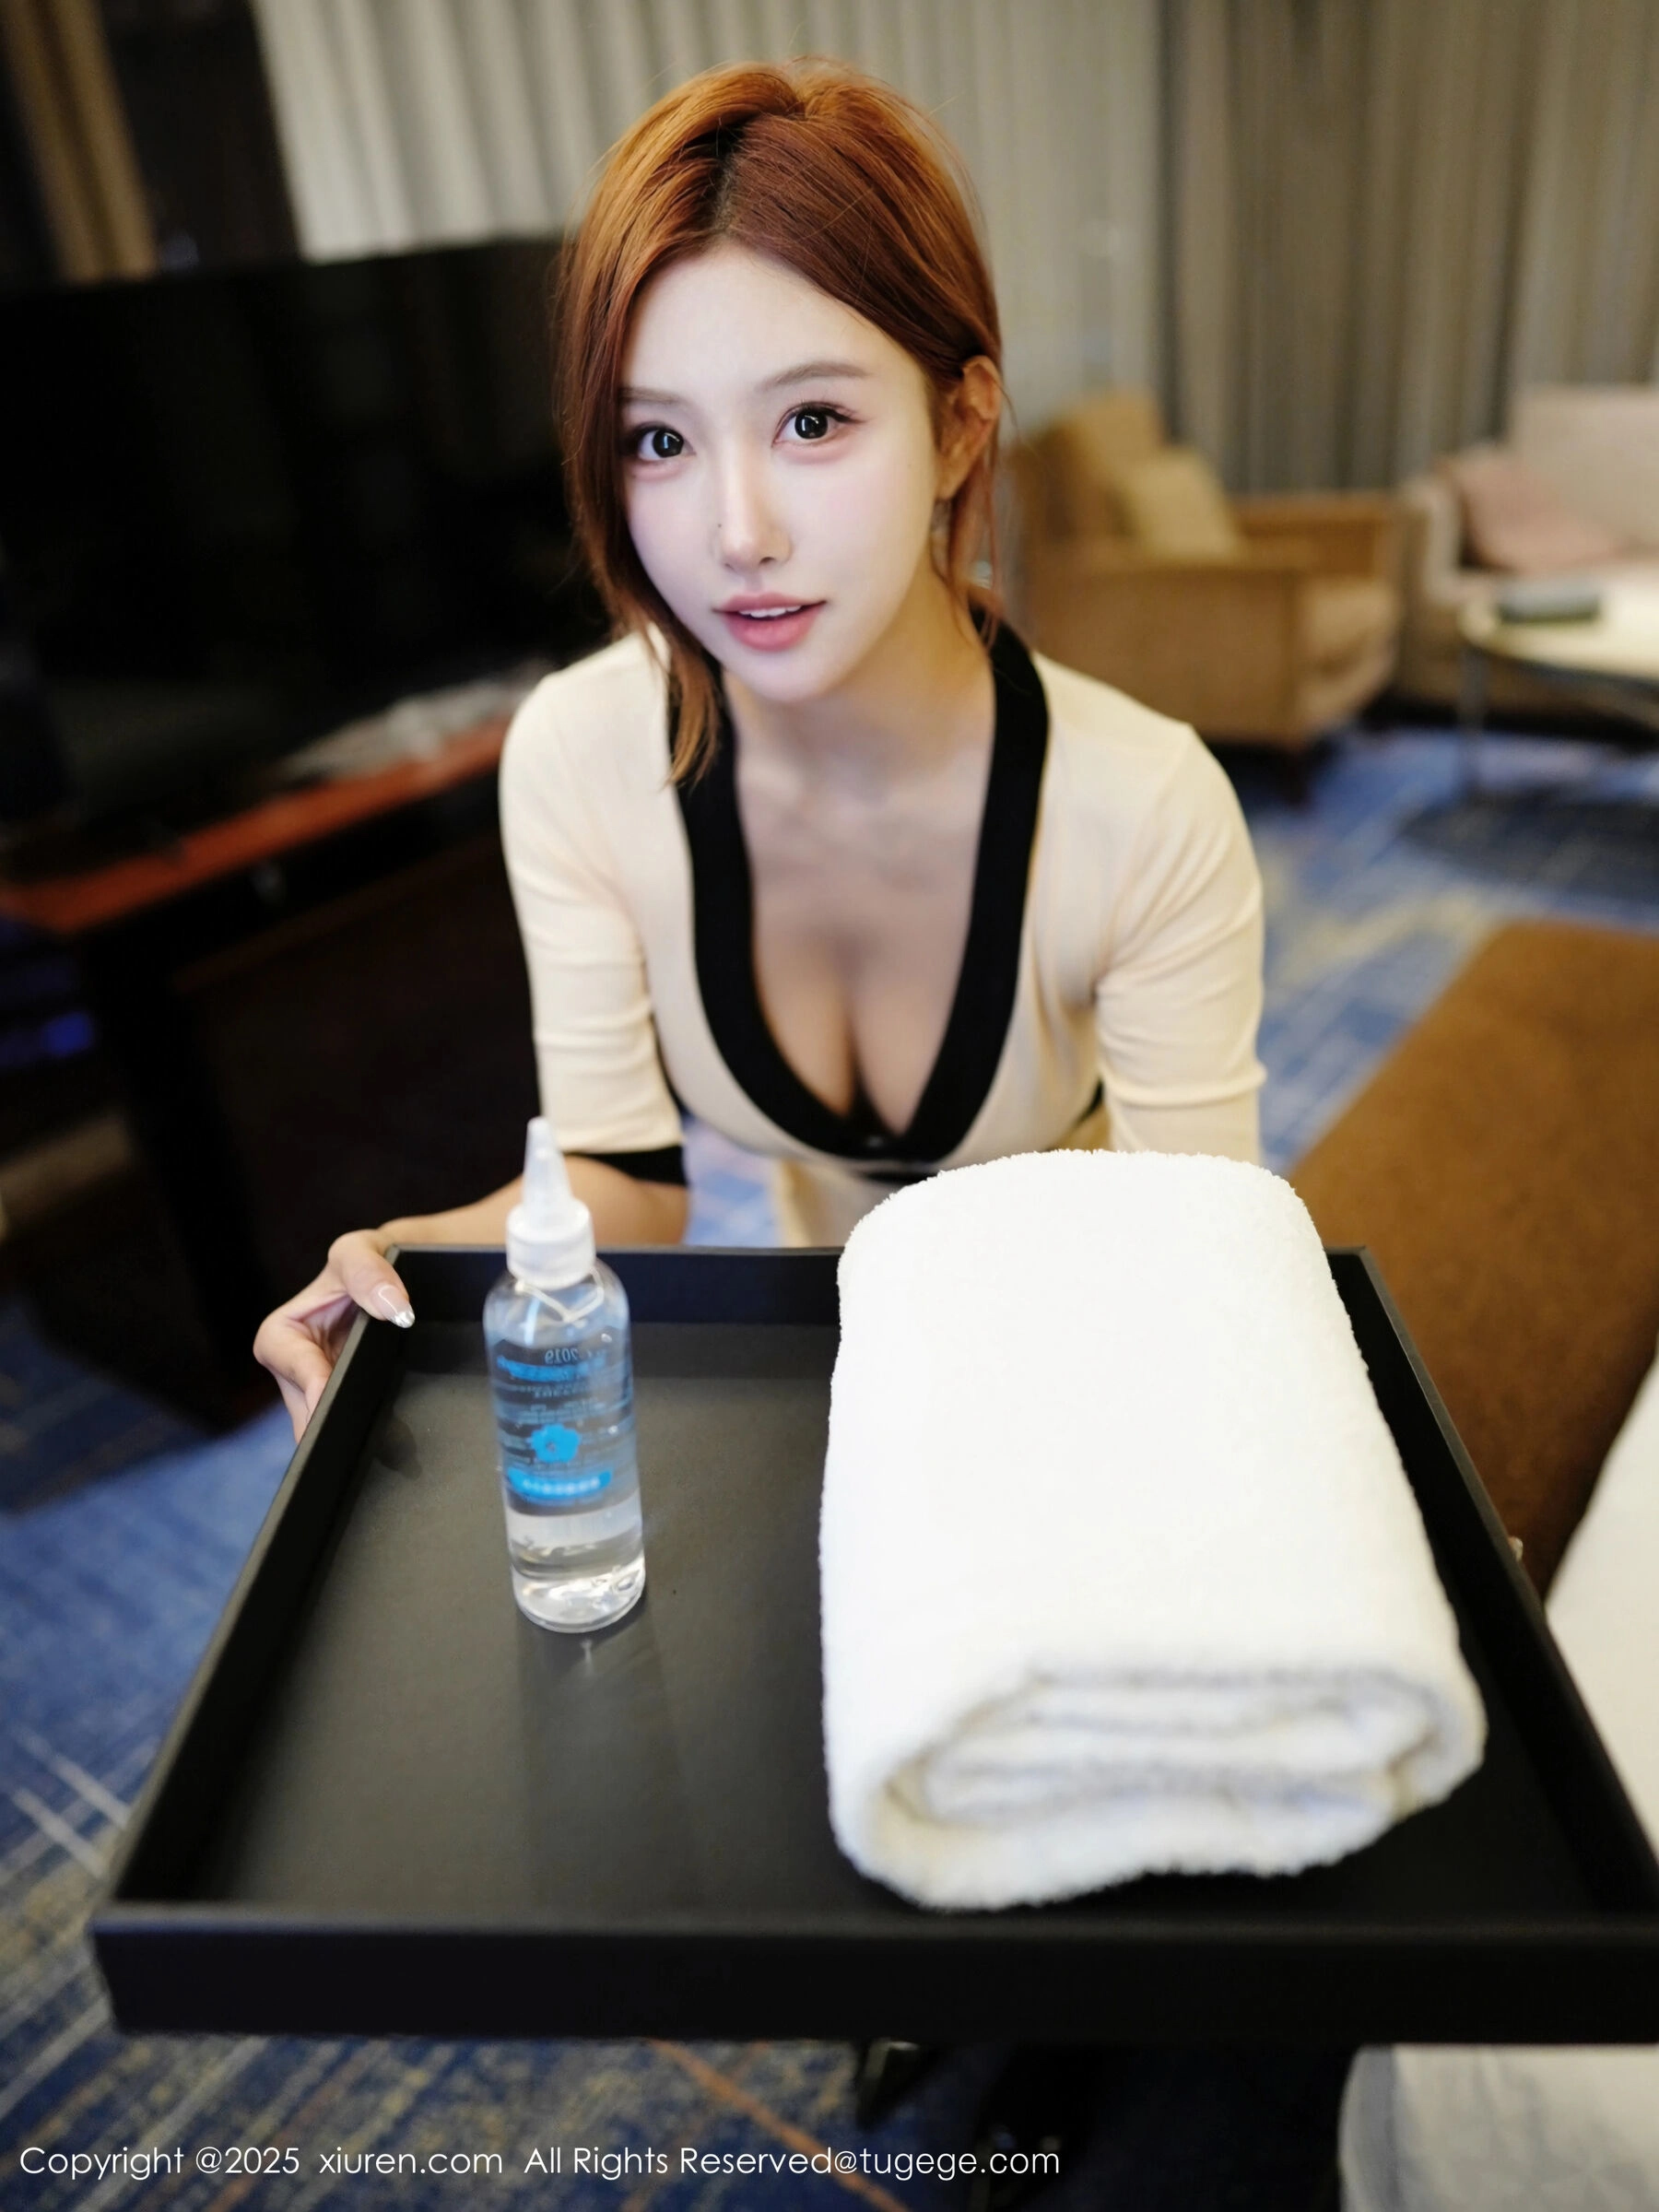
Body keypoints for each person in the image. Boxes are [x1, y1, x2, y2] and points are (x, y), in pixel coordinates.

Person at [254, 57, 1265, 1441]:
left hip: (1086, 1350)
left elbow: (1197, 1275)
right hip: (825, 1364)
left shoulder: (1144, 808)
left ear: (958, 426)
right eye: (658, 440)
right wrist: (401, 1261)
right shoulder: (579, 759)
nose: (738, 534)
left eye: (813, 421)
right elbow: (625, 1186)